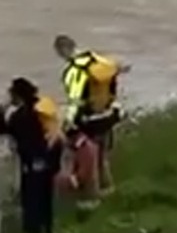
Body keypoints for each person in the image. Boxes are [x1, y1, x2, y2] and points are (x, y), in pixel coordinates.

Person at [54, 34, 128, 198]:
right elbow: (119, 67)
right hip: (108, 115)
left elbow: (75, 101)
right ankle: (110, 190)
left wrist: (68, 122)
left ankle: (94, 197)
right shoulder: (98, 59)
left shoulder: (74, 71)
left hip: (90, 122)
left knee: (90, 159)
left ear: (63, 51)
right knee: (103, 158)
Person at [0, 77, 64, 233]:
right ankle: (48, 231)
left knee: (31, 200)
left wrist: (1, 110)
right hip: (49, 161)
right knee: (45, 199)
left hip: (31, 164)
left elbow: (3, 131)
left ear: (17, 96)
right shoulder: (43, 108)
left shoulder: (20, 117)